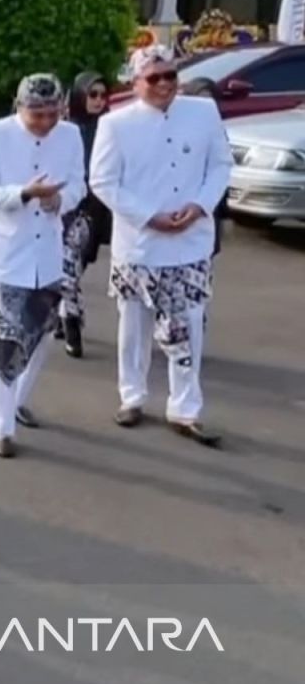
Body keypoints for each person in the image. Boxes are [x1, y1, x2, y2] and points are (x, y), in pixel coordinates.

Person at [89, 45, 231, 447]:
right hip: (140, 243)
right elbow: (102, 181)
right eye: (154, 78)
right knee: (134, 325)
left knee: (188, 325)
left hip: (191, 242)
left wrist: (200, 206)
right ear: (135, 83)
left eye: (171, 76)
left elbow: (221, 164)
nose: (165, 84)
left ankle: (185, 408)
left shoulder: (202, 113)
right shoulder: (116, 124)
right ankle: (132, 397)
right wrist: (148, 215)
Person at [0, 74, 86, 458]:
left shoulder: (69, 135)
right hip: (7, 253)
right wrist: (23, 193)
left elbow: (80, 186)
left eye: (53, 113)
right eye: (37, 115)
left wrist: (58, 201)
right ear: (19, 107)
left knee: (42, 334)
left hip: (49, 252)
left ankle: (17, 400)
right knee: (6, 339)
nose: (46, 123)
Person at [58, 71, 113, 358]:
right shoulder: (64, 131)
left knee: (73, 268)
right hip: (63, 210)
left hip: (93, 211)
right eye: (93, 95)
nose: (99, 101)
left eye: (103, 95)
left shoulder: (110, 127)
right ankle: (71, 323)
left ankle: (66, 314)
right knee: (66, 271)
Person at [179, 77, 228, 260]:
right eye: (201, 99)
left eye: (211, 100)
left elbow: (221, 165)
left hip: (206, 202)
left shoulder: (216, 127)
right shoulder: (178, 125)